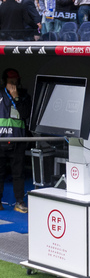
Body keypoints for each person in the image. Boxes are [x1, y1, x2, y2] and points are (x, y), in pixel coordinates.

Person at [0, 68, 32, 214]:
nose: (13, 83)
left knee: (18, 173)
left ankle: (19, 202)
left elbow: (25, 114)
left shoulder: (24, 96)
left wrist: (16, 98)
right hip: (1, 140)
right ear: (4, 81)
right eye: (10, 80)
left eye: (15, 80)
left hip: (18, 140)